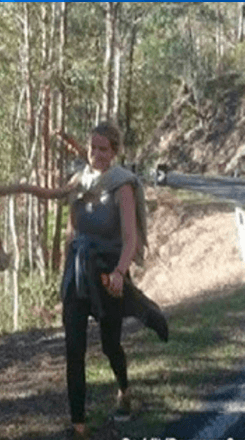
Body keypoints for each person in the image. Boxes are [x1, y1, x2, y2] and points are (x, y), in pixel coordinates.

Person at [13, 122, 166, 440]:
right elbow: (64, 215)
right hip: (77, 274)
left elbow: (129, 237)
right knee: (74, 349)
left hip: (108, 272)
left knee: (110, 345)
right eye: (92, 147)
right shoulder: (79, 180)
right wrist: (22, 187)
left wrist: (120, 273)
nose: (96, 154)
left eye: (103, 149)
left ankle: (124, 391)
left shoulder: (122, 184)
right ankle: (79, 426)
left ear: (114, 151)